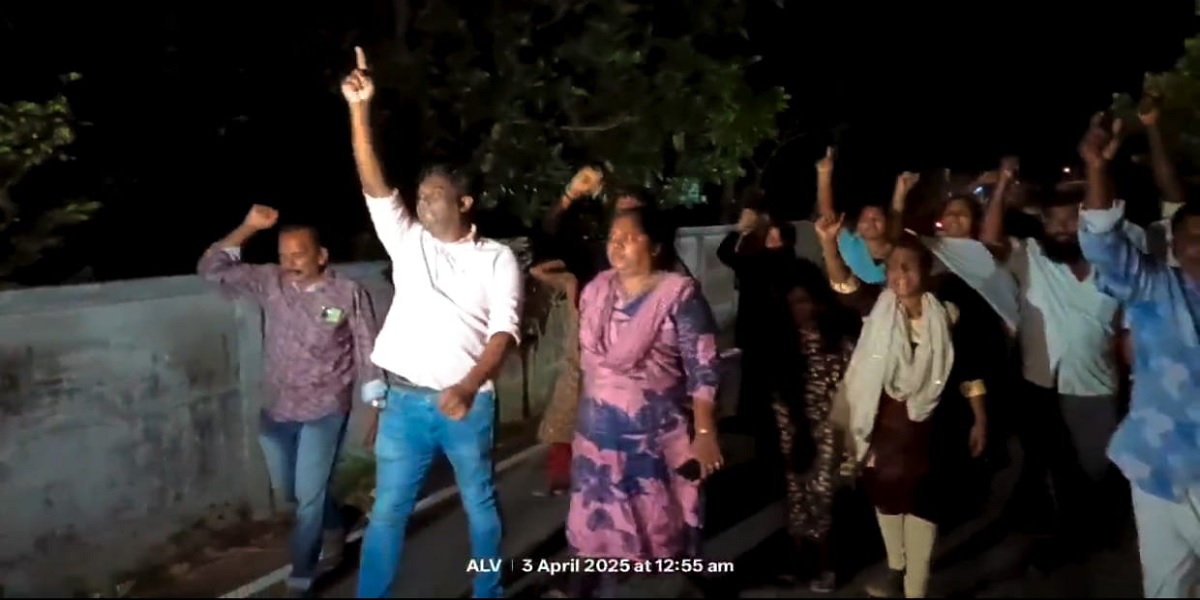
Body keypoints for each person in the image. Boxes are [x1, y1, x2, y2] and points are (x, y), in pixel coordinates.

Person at [342, 48, 523, 599]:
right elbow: (373, 179)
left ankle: (486, 591)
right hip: (402, 404)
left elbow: (504, 333)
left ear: (464, 202)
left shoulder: (495, 257)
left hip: (466, 403)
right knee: (388, 513)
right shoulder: (407, 240)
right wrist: (359, 110)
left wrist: (468, 385)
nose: (422, 203)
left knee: (479, 503)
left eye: (435, 195)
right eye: (420, 195)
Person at [197, 205, 384, 598]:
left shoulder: (347, 294)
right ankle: (339, 521)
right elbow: (210, 269)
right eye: (283, 256)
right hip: (277, 412)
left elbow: (369, 348)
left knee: (307, 503)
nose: (290, 263)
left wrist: (375, 406)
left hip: (324, 412)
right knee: (293, 494)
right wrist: (247, 227)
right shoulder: (270, 282)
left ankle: (301, 577)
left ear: (321, 255)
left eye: (298, 255)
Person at [815, 218, 988, 599]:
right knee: (886, 497)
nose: (899, 274)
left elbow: (970, 371)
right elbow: (843, 284)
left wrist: (979, 418)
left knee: (924, 506)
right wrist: (829, 245)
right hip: (884, 429)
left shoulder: (950, 316)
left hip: (932, 428)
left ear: (927, 271)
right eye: (893, 267)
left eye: (908, 266)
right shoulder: (877, 309)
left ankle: (915, 587)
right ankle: (896, 567)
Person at [978, 140, 1129, 560]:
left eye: (1071, 221)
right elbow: (988, 243)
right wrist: (1004, 183)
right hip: (1041, 386)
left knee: (1095, 468)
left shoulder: (1112, 265)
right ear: (1042, 225)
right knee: (1057, 472)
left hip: (1096, 388)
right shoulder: (1032, 259)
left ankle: (1093, 528)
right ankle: (1072, 539)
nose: (1063, 228)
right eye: (1054, 222)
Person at [1075, 111, 1200, 598]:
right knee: (1166, 589)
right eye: (1192, 239)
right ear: (1174, 242)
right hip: (1155, 468)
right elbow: (1103, 245)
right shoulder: (1153, 287)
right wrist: (1096, 168)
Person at [568, 204, 722, 598]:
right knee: (599, 515)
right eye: (613, 238)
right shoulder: (597, 290)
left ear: (655, 247)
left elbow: (703, 367)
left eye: (630, 238)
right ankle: (596, 575)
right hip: (598, 435)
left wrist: (705, 432)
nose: (617, 246)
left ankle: (688, 578)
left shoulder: (679, 296)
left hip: (656, 438)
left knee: (669, 515)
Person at [767, 261, 856, 593]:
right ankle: (799, 560)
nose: (797, 309)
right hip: (793, 427)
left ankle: (827, 565)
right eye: (791, 303)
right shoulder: (782, 340)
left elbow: (849, 387)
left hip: (829, 426)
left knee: (823, 495)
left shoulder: (837, 337)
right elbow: (778, 393)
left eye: (803, 301)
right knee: (796, 495)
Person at [717, 188, 799, 435]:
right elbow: (730, 256)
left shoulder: (776, 258)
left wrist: (742, 230)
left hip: (770, 325)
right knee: (752, 373)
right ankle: (750, 418)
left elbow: (729, 256)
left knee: (762, 375)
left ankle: (759, 421)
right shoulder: (760, 253)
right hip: (756, 324)